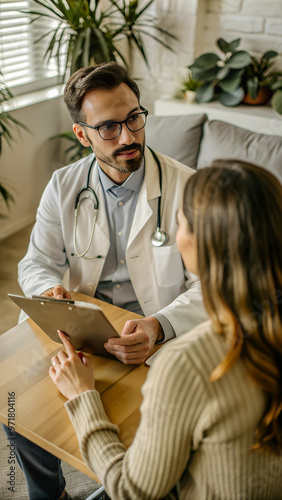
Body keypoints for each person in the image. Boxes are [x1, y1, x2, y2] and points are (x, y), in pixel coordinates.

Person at [4, 62, 208, 500]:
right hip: (82, 330)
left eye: (134, 118)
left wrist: (159, 326)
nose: (129, 137)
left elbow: (212, 287)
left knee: (148, 444)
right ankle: (48, 492)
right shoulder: (64, 185)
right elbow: (36, 261)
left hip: (158, 336)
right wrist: (47, 290)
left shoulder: (187, 187)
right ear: (82, 134)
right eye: (109, 127)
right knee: (13, 404)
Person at [50, 160, 282, 499]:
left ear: (200, 245)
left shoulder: (189, 364)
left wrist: (83, 396)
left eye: (180, 223)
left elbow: (130, 490)